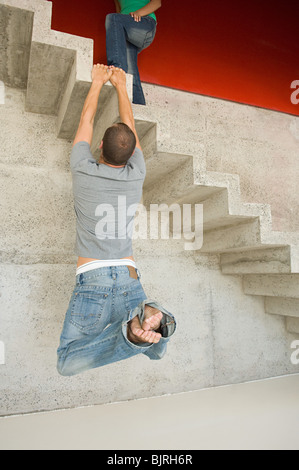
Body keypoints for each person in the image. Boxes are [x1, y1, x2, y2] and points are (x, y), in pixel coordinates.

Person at [57, 64, 176, 377]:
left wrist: (97, 81)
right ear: (132, 153)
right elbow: (128, 128)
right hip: (126, 278)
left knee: (67, 363)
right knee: (69, 361)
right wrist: (117, 86)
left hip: (100, 280)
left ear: (99, 148)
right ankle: (147, 329)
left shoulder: (85, 171)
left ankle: (131, 335)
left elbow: (86, 120)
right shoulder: (136, 173)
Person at [106, 0, 162, 105]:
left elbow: (157, 2)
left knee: (112, 18)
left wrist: (138, 13)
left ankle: (117, 69)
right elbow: (120, 12)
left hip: (145, 23)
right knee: (131, 74)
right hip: (127, 29)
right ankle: (139, 106)